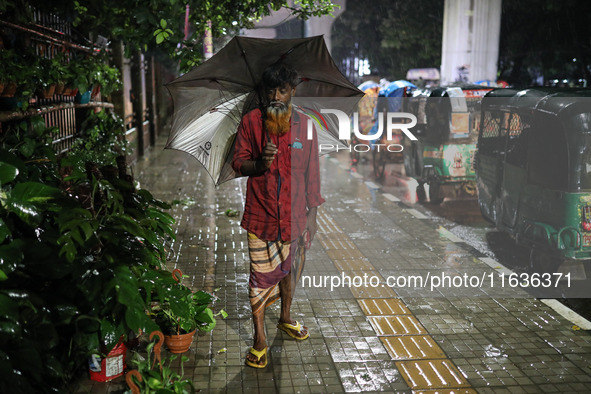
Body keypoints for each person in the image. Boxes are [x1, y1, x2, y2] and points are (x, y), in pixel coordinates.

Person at [231, 62, 325, 368]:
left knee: (290, 271)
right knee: (259, 278)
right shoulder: (251, 122)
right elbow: (239, 163)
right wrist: (259, 164)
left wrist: (312, 215)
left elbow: (313, 172)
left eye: (282, 89)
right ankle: (259, 339)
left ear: (292, 92)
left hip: (296, 216)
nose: (275, 95)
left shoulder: (306, 126)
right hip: (261, 216)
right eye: (270, 89)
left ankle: (285, 317)